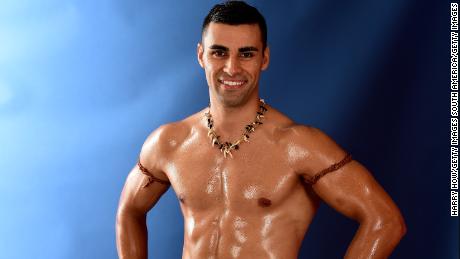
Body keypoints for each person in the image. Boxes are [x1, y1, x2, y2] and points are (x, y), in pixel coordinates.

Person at [116, 1, 406, 258]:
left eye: (246, 54)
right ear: (201, 55)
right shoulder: (170, 142)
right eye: (219, 52)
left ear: (263, 58)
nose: (231, 68)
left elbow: (386, 221)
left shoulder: (297, 145)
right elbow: (129, 211)